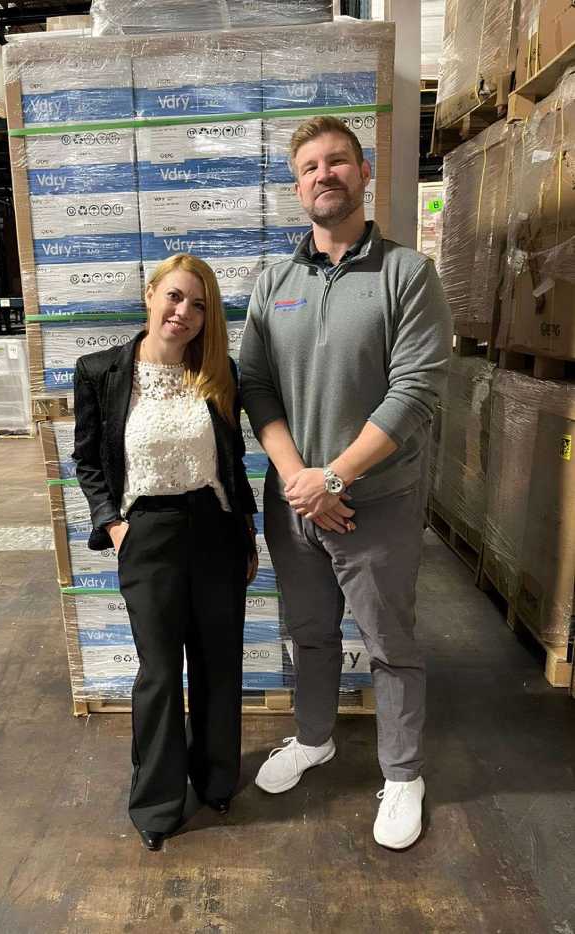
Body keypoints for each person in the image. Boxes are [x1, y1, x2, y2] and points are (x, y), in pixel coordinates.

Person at [239, 116, 452, 850]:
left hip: (376, 504)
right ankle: (315, 738)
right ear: (296, 187)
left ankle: (402, 774)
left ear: (362, 174)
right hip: (295, 501)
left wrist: (336, 476)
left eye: (336, 162)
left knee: (390, 642)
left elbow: (415, 389)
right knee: (310, 633)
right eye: (308, 166)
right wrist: (300, 479)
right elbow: (256, 386)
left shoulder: (406, 275)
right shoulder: (273, 283)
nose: (322, 174)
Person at [72, 253, 258, 852]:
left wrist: (246, 531)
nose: (185, 312)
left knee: (217, 661)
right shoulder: (100, 371)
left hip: (215, 529)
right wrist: (114, 524)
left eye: (199, 305)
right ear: (150, 294)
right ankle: (156, 803)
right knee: (158, 672)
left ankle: (217, 779)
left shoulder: (218, 371)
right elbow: (88, 460)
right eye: (175, 297)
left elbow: (232, 462)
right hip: (147, 533)